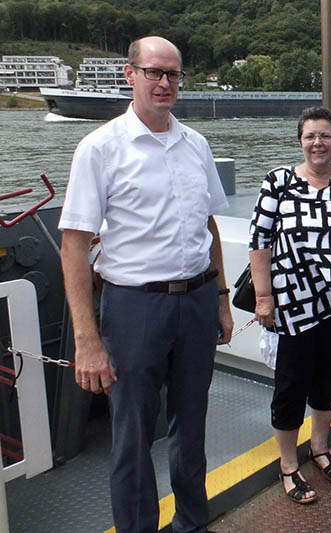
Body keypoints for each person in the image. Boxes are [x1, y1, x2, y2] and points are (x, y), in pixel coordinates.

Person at [59, 36, 233, 532]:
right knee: (132, 435)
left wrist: (220, 298)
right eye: (154, 72)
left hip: (197, 301)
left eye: (173, 74)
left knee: (191, 425)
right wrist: (88, 340)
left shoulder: (195, 144)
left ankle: (192, 524)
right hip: (134, 308)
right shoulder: (100, 148)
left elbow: (209, 226)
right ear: (129, 74)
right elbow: (74, 246)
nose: (164, 83)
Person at [249, 106, 331, 504]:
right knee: (290, 386)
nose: (318, 143)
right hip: (293, 306)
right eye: (310, 136)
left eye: (325, 136)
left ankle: (320, 448)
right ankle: (289, 466)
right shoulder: (278, 183)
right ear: (300, 142)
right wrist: (263, 298)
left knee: (329, 381)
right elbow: (259, 243)